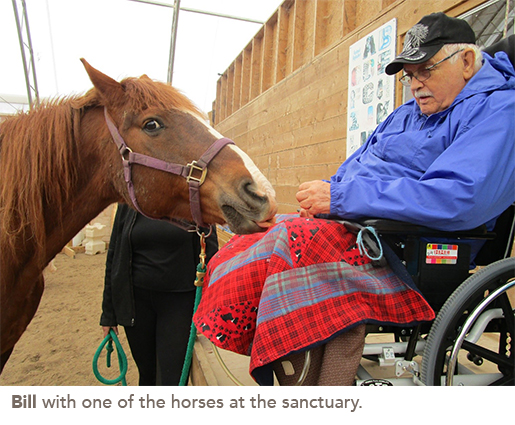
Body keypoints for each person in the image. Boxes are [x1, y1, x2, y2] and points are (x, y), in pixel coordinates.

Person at [193, 12, 515, 386]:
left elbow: (459, 196)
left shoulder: (498, 111)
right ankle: (280, 353)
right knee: (257, 233)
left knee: (289, 245)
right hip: (362, 224)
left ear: (466, 61)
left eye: (426, 69)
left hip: (417, 247)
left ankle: (310, 381)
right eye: (410, 74)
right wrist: (323, 196)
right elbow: (356, 166)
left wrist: (341, 198)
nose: (415, 84)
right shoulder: (407, 113)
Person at [100, 203, 218, 385]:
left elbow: (210, 254)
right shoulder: (131, 199)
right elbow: (114, 253)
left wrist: (209, 309)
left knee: (173, 378)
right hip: (137, 304)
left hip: (179, 304)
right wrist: (108, 314)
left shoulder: (193, 196)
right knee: (147, 375)